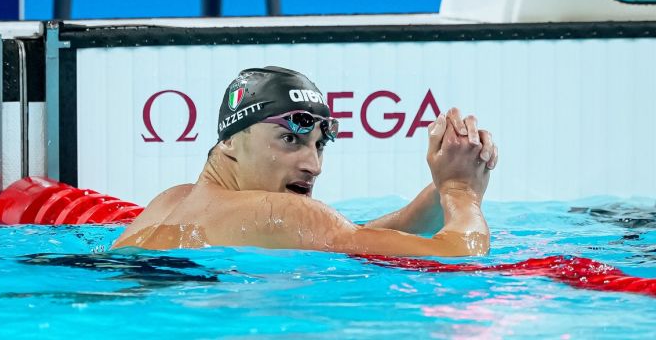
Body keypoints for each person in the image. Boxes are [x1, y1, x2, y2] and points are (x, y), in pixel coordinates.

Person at [113, 66, 498, 257]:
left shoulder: (172, 201)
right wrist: (462, 192)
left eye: (319, 145)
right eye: (289, 139)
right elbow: (462, 255)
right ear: (230, 140)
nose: (313, 165)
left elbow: (345, 235)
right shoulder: (278, 213)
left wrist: (443, 184)